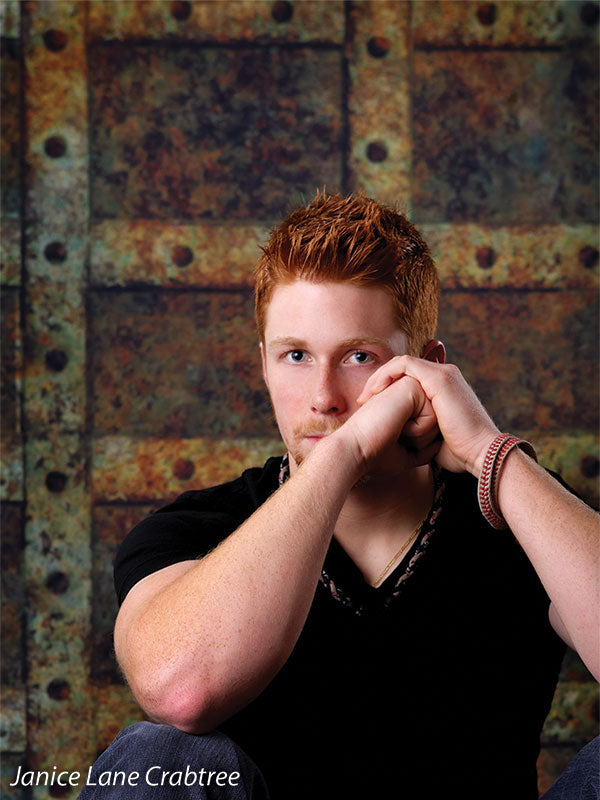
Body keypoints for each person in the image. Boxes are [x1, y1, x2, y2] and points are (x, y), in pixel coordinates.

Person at [80, 193, 599, 800]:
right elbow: (180, 692)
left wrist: (489, 451)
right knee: (160, 757)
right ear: (265, 365)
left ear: (426, 366)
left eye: (358, 356)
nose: (324, 397)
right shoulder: (196, 528)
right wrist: (345, 453)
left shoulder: (520, 514)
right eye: (296, 356)